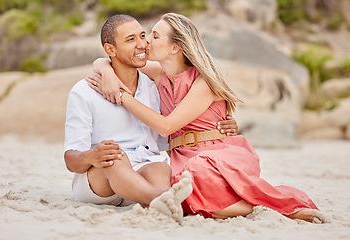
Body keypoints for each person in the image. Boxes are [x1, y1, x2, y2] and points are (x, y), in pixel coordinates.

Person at [88, 13, 325, 223]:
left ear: (175, 47)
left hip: (216, 154)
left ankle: (274, 207)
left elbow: (166, 126)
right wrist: (105, 69)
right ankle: (249, 206)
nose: (147, 40)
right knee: (179, 188)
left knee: (195, 173)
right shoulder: (160, 75)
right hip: (182, 156)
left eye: (155, 36)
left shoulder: (203, 82)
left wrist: (122, 96)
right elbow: (108, 60)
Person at [64, 14, 237, 222]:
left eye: (143, 35)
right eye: (130, 39)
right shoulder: (85, 91)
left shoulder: (154, 85)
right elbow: (71, 160)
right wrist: (92, 156)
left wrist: (222, 126)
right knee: (114, 157)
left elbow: (178, 120)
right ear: (111, 50)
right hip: (99, 183)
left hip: (141, 172)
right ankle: (161, 199)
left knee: (160, 166)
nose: (142, 44)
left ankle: (158, 201)